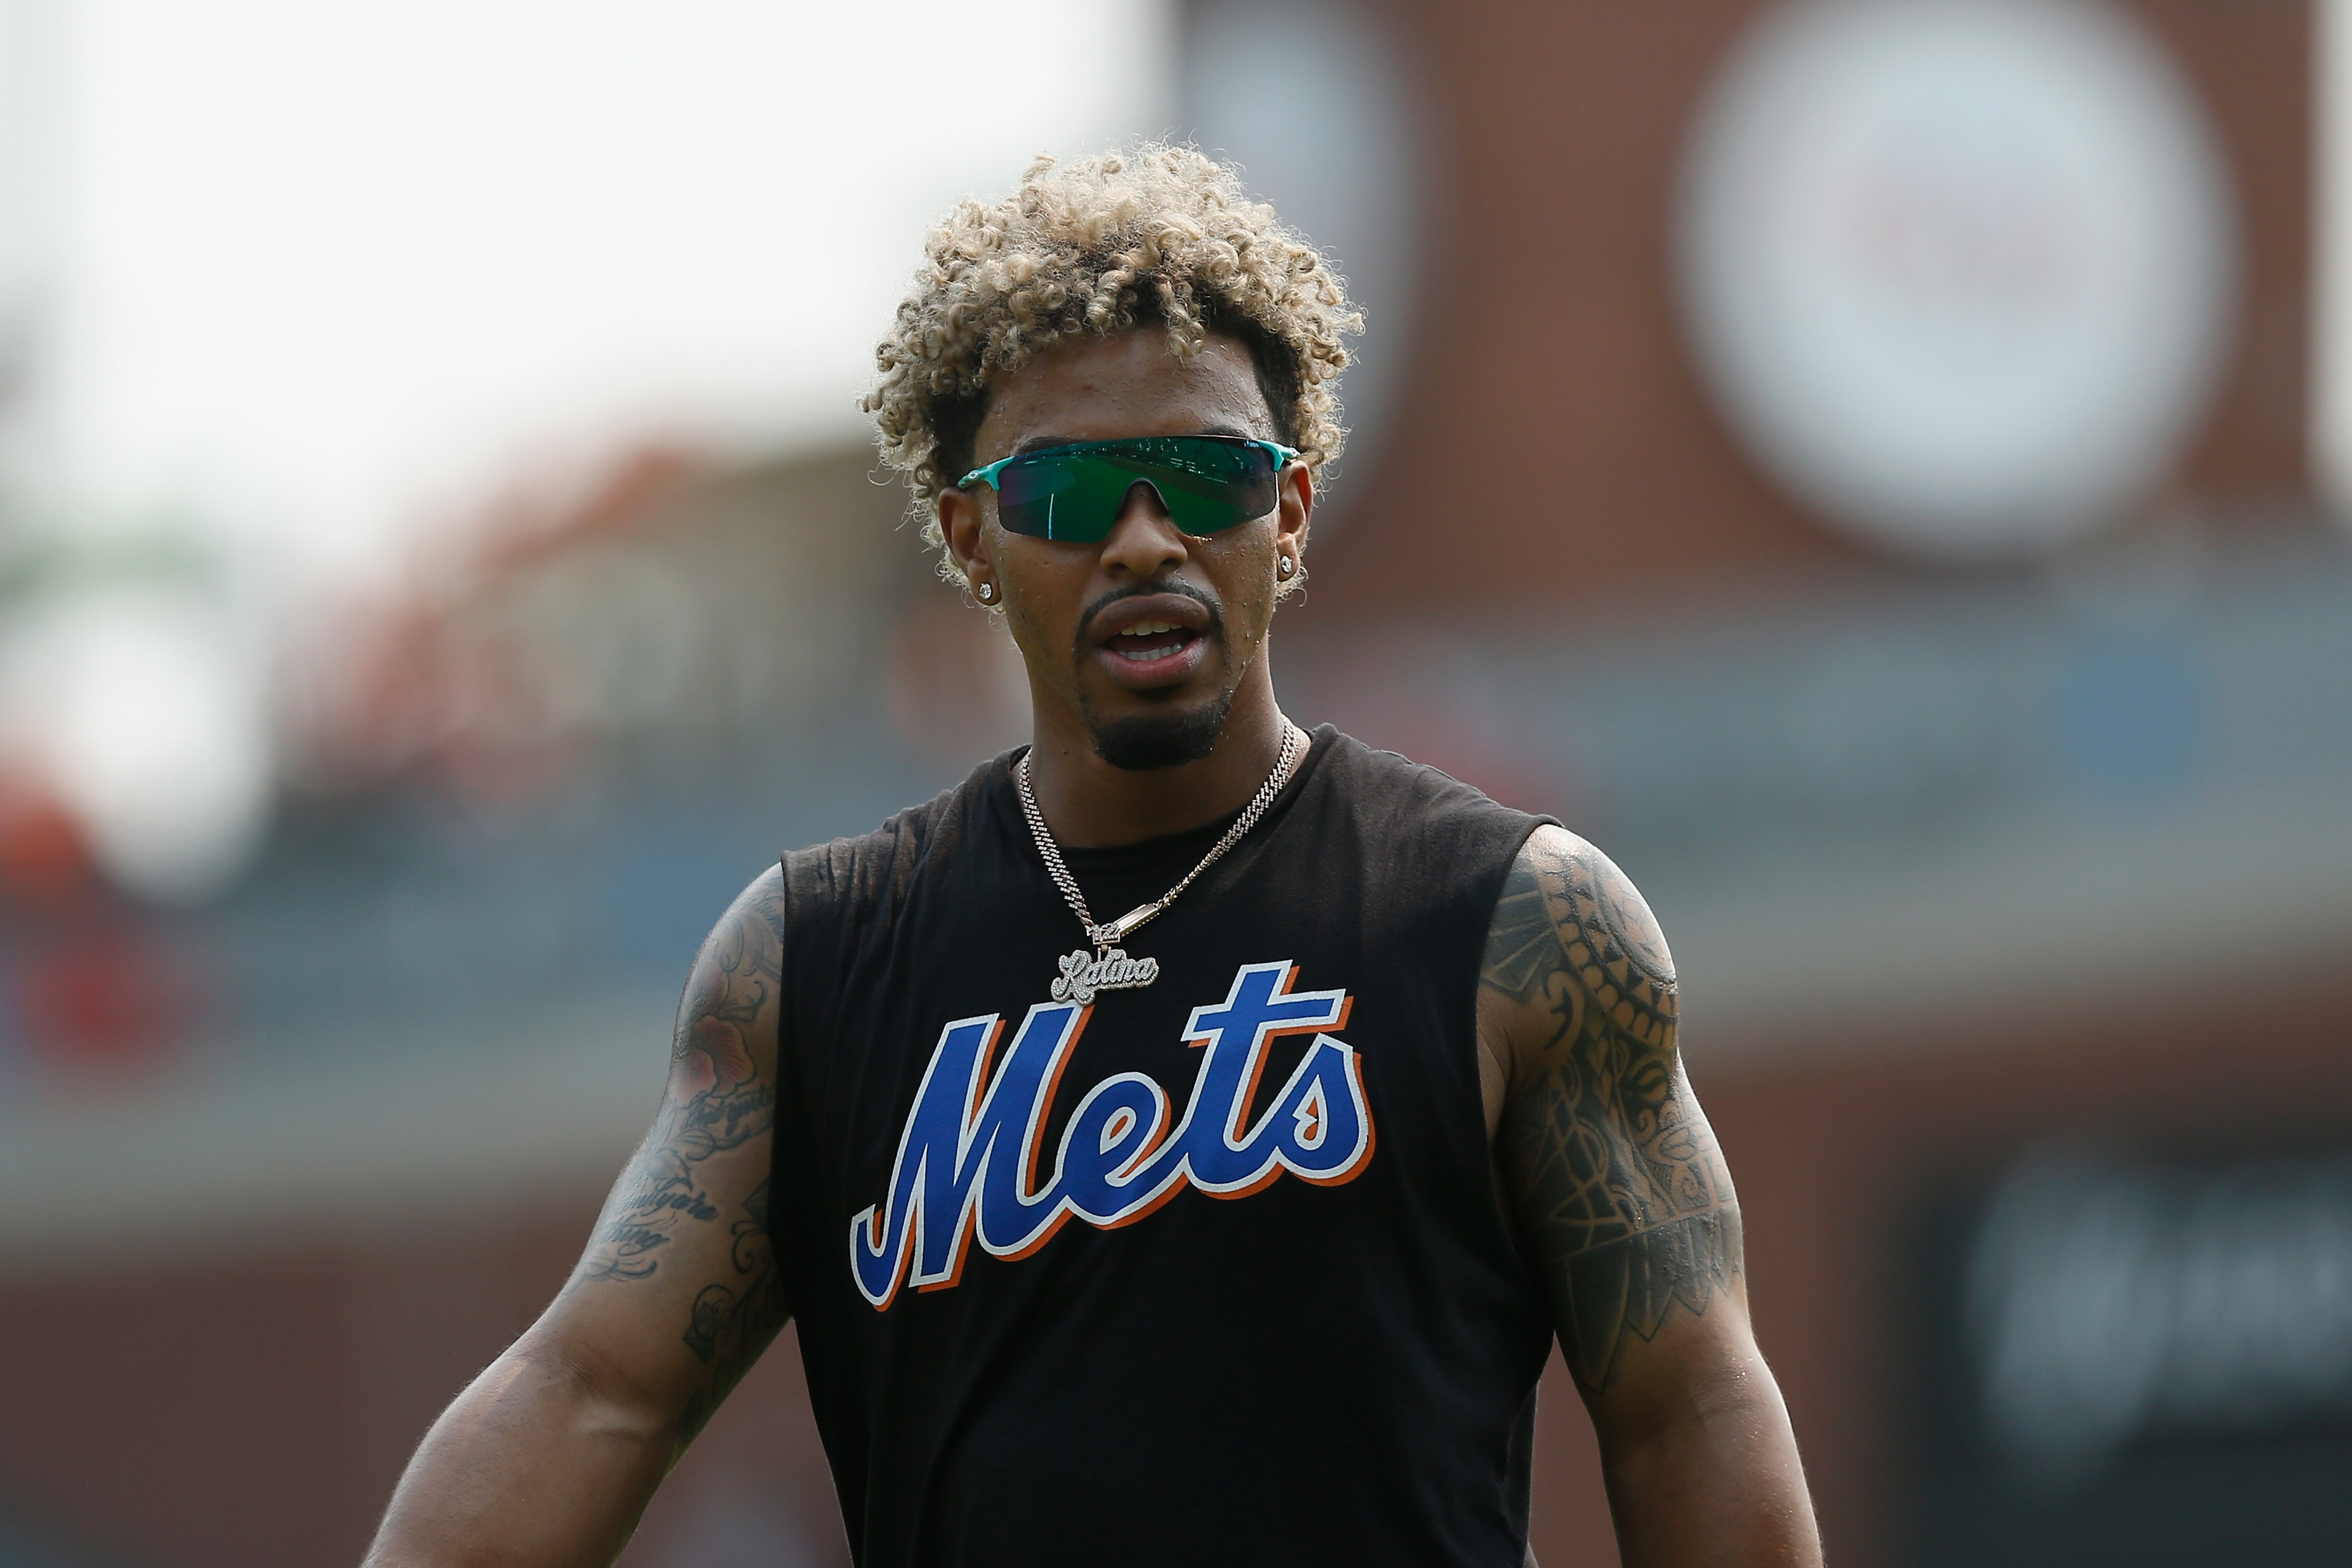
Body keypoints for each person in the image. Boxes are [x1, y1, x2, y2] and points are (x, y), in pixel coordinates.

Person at [365, 144, 1821, 1567]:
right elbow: (592, 1390)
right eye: (1069, 493)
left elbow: (1684, 1407)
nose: (1143, 539)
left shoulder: (1513, 922)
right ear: (972, 535)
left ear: (1288, 513)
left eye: (1203, 476)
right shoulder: (814, 963)